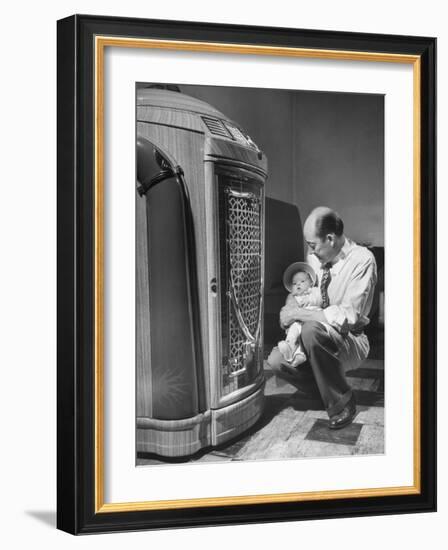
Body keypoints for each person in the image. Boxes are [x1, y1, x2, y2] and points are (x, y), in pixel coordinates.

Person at [267, 206, 377, 429]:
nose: (311, 252)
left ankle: (342, 402)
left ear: (330, 238)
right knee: (276, 361)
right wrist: (290, 306)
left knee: (311, 329)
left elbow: (349, 317)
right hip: (315, 333)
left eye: (313, 245)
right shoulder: (316, 258)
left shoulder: (362, 260)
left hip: (351, 340)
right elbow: (303, 291)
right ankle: (324, 392)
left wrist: (298, 314)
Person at [277, 263, 322, 366]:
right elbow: (286, 315)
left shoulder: (314, 291)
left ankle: (299, 354)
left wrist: (308, 298)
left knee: (305, 334)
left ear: (311, 283)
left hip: (312, 317)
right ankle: (289, 348)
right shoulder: (292, 298)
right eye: (294, 283)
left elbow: (319, 300)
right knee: (293, 332)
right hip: (297, 321)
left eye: (302, 281)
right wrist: (293, 301)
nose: (298, 284)